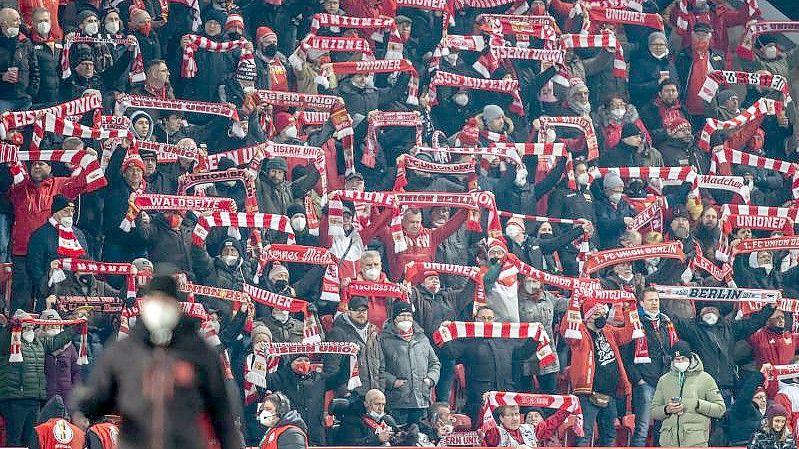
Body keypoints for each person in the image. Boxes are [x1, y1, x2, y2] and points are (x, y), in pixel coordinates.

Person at [76, 275, 241, 449]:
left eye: (166, 302)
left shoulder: (199, 353)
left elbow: (222, 414)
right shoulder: (124, 351)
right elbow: (98, 402)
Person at [651, 340, 727, 447]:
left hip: (696, 443)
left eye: (683, 359)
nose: (680, 362)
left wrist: (697, 404)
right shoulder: (664, 380)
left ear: (690, 358)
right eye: (677, 359)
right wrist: (667, 409)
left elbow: (720, 409)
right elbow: (654, 411)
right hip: (669, 443)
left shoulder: (705, 379)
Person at [381, 301, 440, 425]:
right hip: (397, 400)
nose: (406, 319)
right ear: (394, 318)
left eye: (408, 315)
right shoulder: (384, 339)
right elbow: (378, 368)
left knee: (420, 436)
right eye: (402, 315)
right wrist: (392, 382)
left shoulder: (422, 338)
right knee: (399, 437)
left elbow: (434, 363)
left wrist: (430, 379)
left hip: (421, 399)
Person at [323, 295, 384, 396]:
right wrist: (344, 392)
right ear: (349, 312)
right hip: (351, 395)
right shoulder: (338, 333)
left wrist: (380, 389)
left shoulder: (373, 332)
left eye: (364, 310)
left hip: (373, 394)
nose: (361, 314)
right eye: (357, 310)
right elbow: (331, 367)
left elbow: (381, 365)